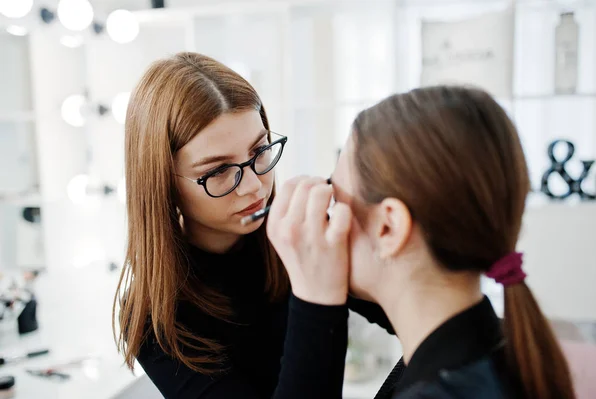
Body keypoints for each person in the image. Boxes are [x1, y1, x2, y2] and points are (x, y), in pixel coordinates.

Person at [113, 52, 391, 399]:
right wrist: (316, 294)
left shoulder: (298, 235)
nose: (253, 186)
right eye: (217, 172)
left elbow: (428, 321)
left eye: (259, 151)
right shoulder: (154, 318)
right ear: (162, 184)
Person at [268, 85, 576, 399]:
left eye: (335, 196)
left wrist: (313, 301)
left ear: (388, 226)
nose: (327, 219)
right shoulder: (507, 347)